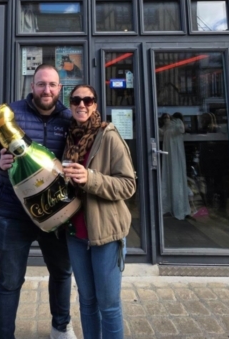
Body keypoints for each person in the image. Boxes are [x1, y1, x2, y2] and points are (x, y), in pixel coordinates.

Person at [0, 64, 76, 339]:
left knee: (62, 273)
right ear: (32, 86)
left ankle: (60, 327)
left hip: (55, 213)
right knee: (10, 281)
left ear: (59, 88)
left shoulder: (68, 119)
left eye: (52, 85)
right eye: (41, 84)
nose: (46, 90)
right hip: (13, 215)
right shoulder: (11, 114)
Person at [62, 85, 136, 339]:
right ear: (70, 104)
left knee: (109, 304)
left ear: (95, 105)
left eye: (88, 100)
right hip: (76, 233)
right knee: (87, 301)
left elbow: (128, 185)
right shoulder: (69, 137)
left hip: (106, 233)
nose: (81, 105)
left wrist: (90, 178)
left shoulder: (108, 136)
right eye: (76, 100)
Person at [159, 113, 191, 220]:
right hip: (169, 155)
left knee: (177, 176)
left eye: (167, 117)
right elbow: (161, 132)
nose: (165, 119)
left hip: (175, 154)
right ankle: (171, 205)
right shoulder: (165, 128)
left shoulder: (176, 124)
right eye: (164, 118)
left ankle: (179, 206)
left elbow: (181, 129)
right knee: (170, 176)